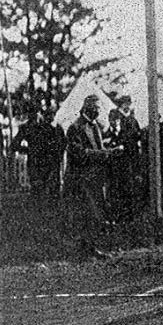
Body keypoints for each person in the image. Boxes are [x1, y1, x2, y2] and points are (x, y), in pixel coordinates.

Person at [64, 95, 121, 259]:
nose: (98, 111)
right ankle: (84, 250)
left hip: (95, 177)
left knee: (95, 215)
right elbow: (80, 154)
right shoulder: (75, 127)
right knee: (86, 214)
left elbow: (98, 148)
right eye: (96, 107)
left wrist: (109, 152)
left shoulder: (96, 126)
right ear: (87, 108)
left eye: (99, 108)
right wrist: (106, 153)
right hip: (81, 179)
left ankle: (92, 248)